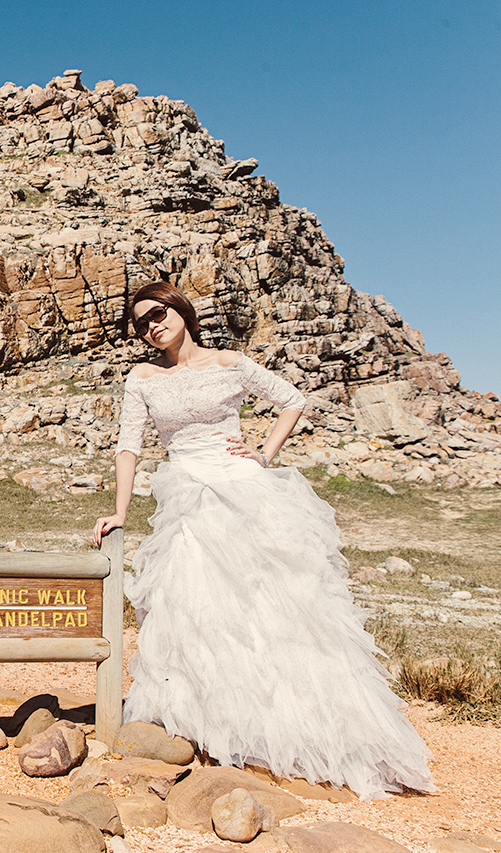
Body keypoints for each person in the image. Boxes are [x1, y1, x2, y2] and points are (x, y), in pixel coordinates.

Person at [92, 281, 435, 800]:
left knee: (272, 607)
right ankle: (211, 726)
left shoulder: (230, 363)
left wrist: (264, 453)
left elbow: (292, 400)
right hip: (187, 495)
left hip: (245, 490)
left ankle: (294, 732)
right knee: (198, 608)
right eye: (141, 323)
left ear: (181, 309)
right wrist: (119, 511)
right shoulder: (142, 377)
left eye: (158, 313)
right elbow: (128, 446)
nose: (152, 326)